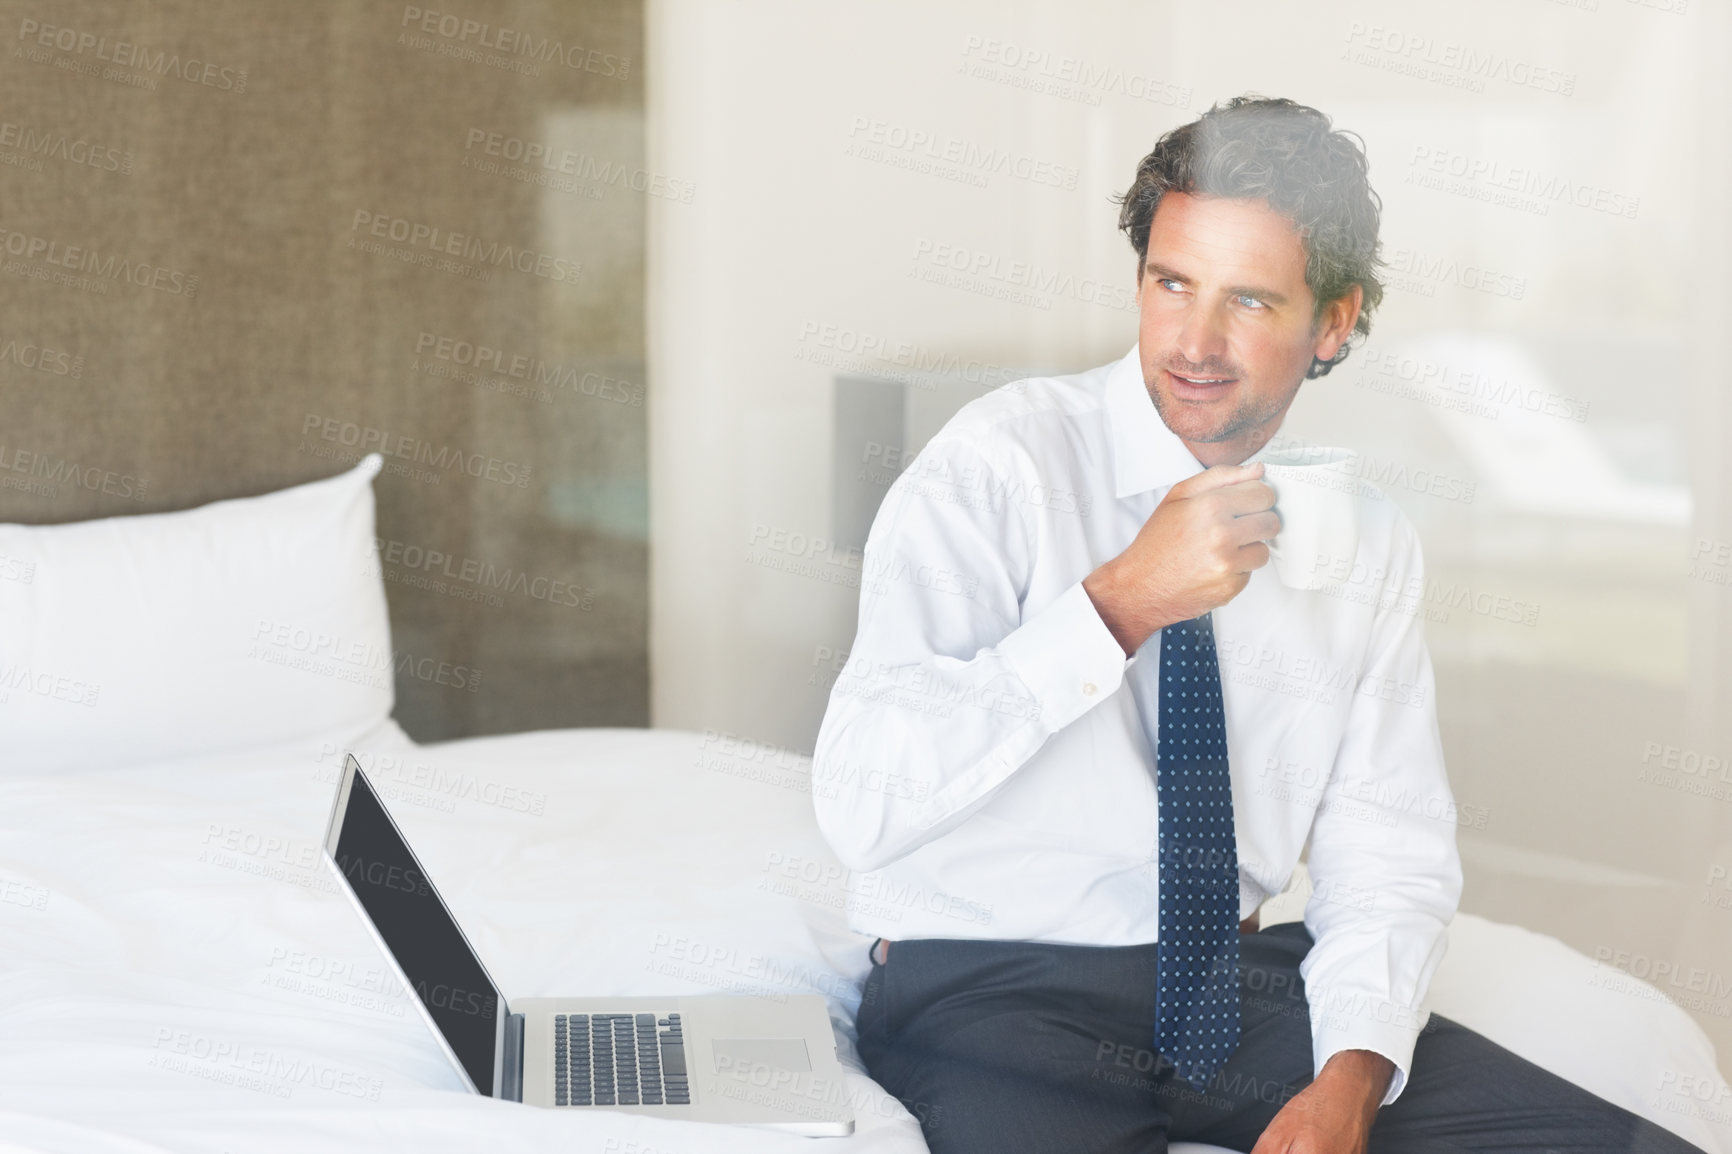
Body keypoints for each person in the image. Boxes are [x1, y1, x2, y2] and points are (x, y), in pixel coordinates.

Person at [810, 95, 1702, 1154]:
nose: (1193, 341)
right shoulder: (997, 467)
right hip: (992, 986)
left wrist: (1348, 1082)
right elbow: (862, 802)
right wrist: (1119, 601)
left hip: (1228, 986)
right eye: (1169, 283)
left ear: (1332, 320)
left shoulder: (1360, 540)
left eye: (1249, 301)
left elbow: (1390, 861)